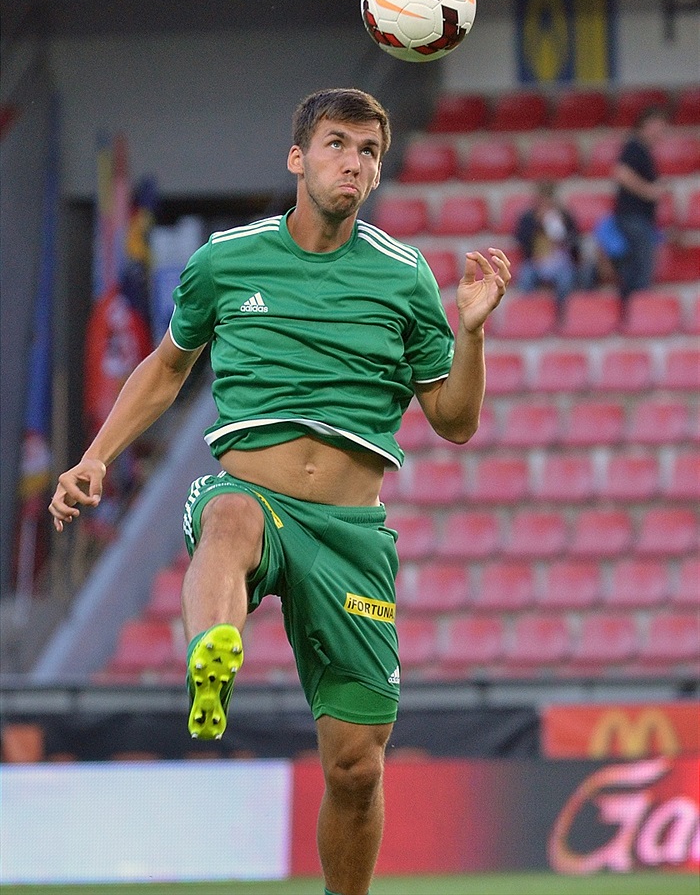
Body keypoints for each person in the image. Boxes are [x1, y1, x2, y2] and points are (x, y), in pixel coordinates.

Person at [49, 88, 510, 895]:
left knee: (358, 768)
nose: (354, 163)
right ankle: (210, 660)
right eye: (338, 144)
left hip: (350, 536)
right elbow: (165, 368)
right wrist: (96, 457)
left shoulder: (403, 279)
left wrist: (471, 332)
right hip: (255, 494)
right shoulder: (227, 260)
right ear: (298, 158)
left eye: (369, 151)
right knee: (225, 514)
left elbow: (456, 419)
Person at [612, 104, 668, 300]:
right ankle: (638, 307)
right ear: (648, 124)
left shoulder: (643, 149)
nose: (662, 131)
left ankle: (633, 304)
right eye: (659, 126)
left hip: (638, 218)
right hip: (633, 218)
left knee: (636, 264)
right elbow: (621, 174)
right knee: (642, 266)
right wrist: (649, 191)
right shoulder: (634, 146)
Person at [514, 181, 587, 304]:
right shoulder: (527, 218)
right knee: (525, 276)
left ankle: (562, 314)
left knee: (565, 279)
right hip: (535, 262)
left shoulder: (565, 216)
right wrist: (537, 224)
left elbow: (575, 242)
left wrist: (562, 229)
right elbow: (522, 242)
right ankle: (529, 313)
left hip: (561, 262)